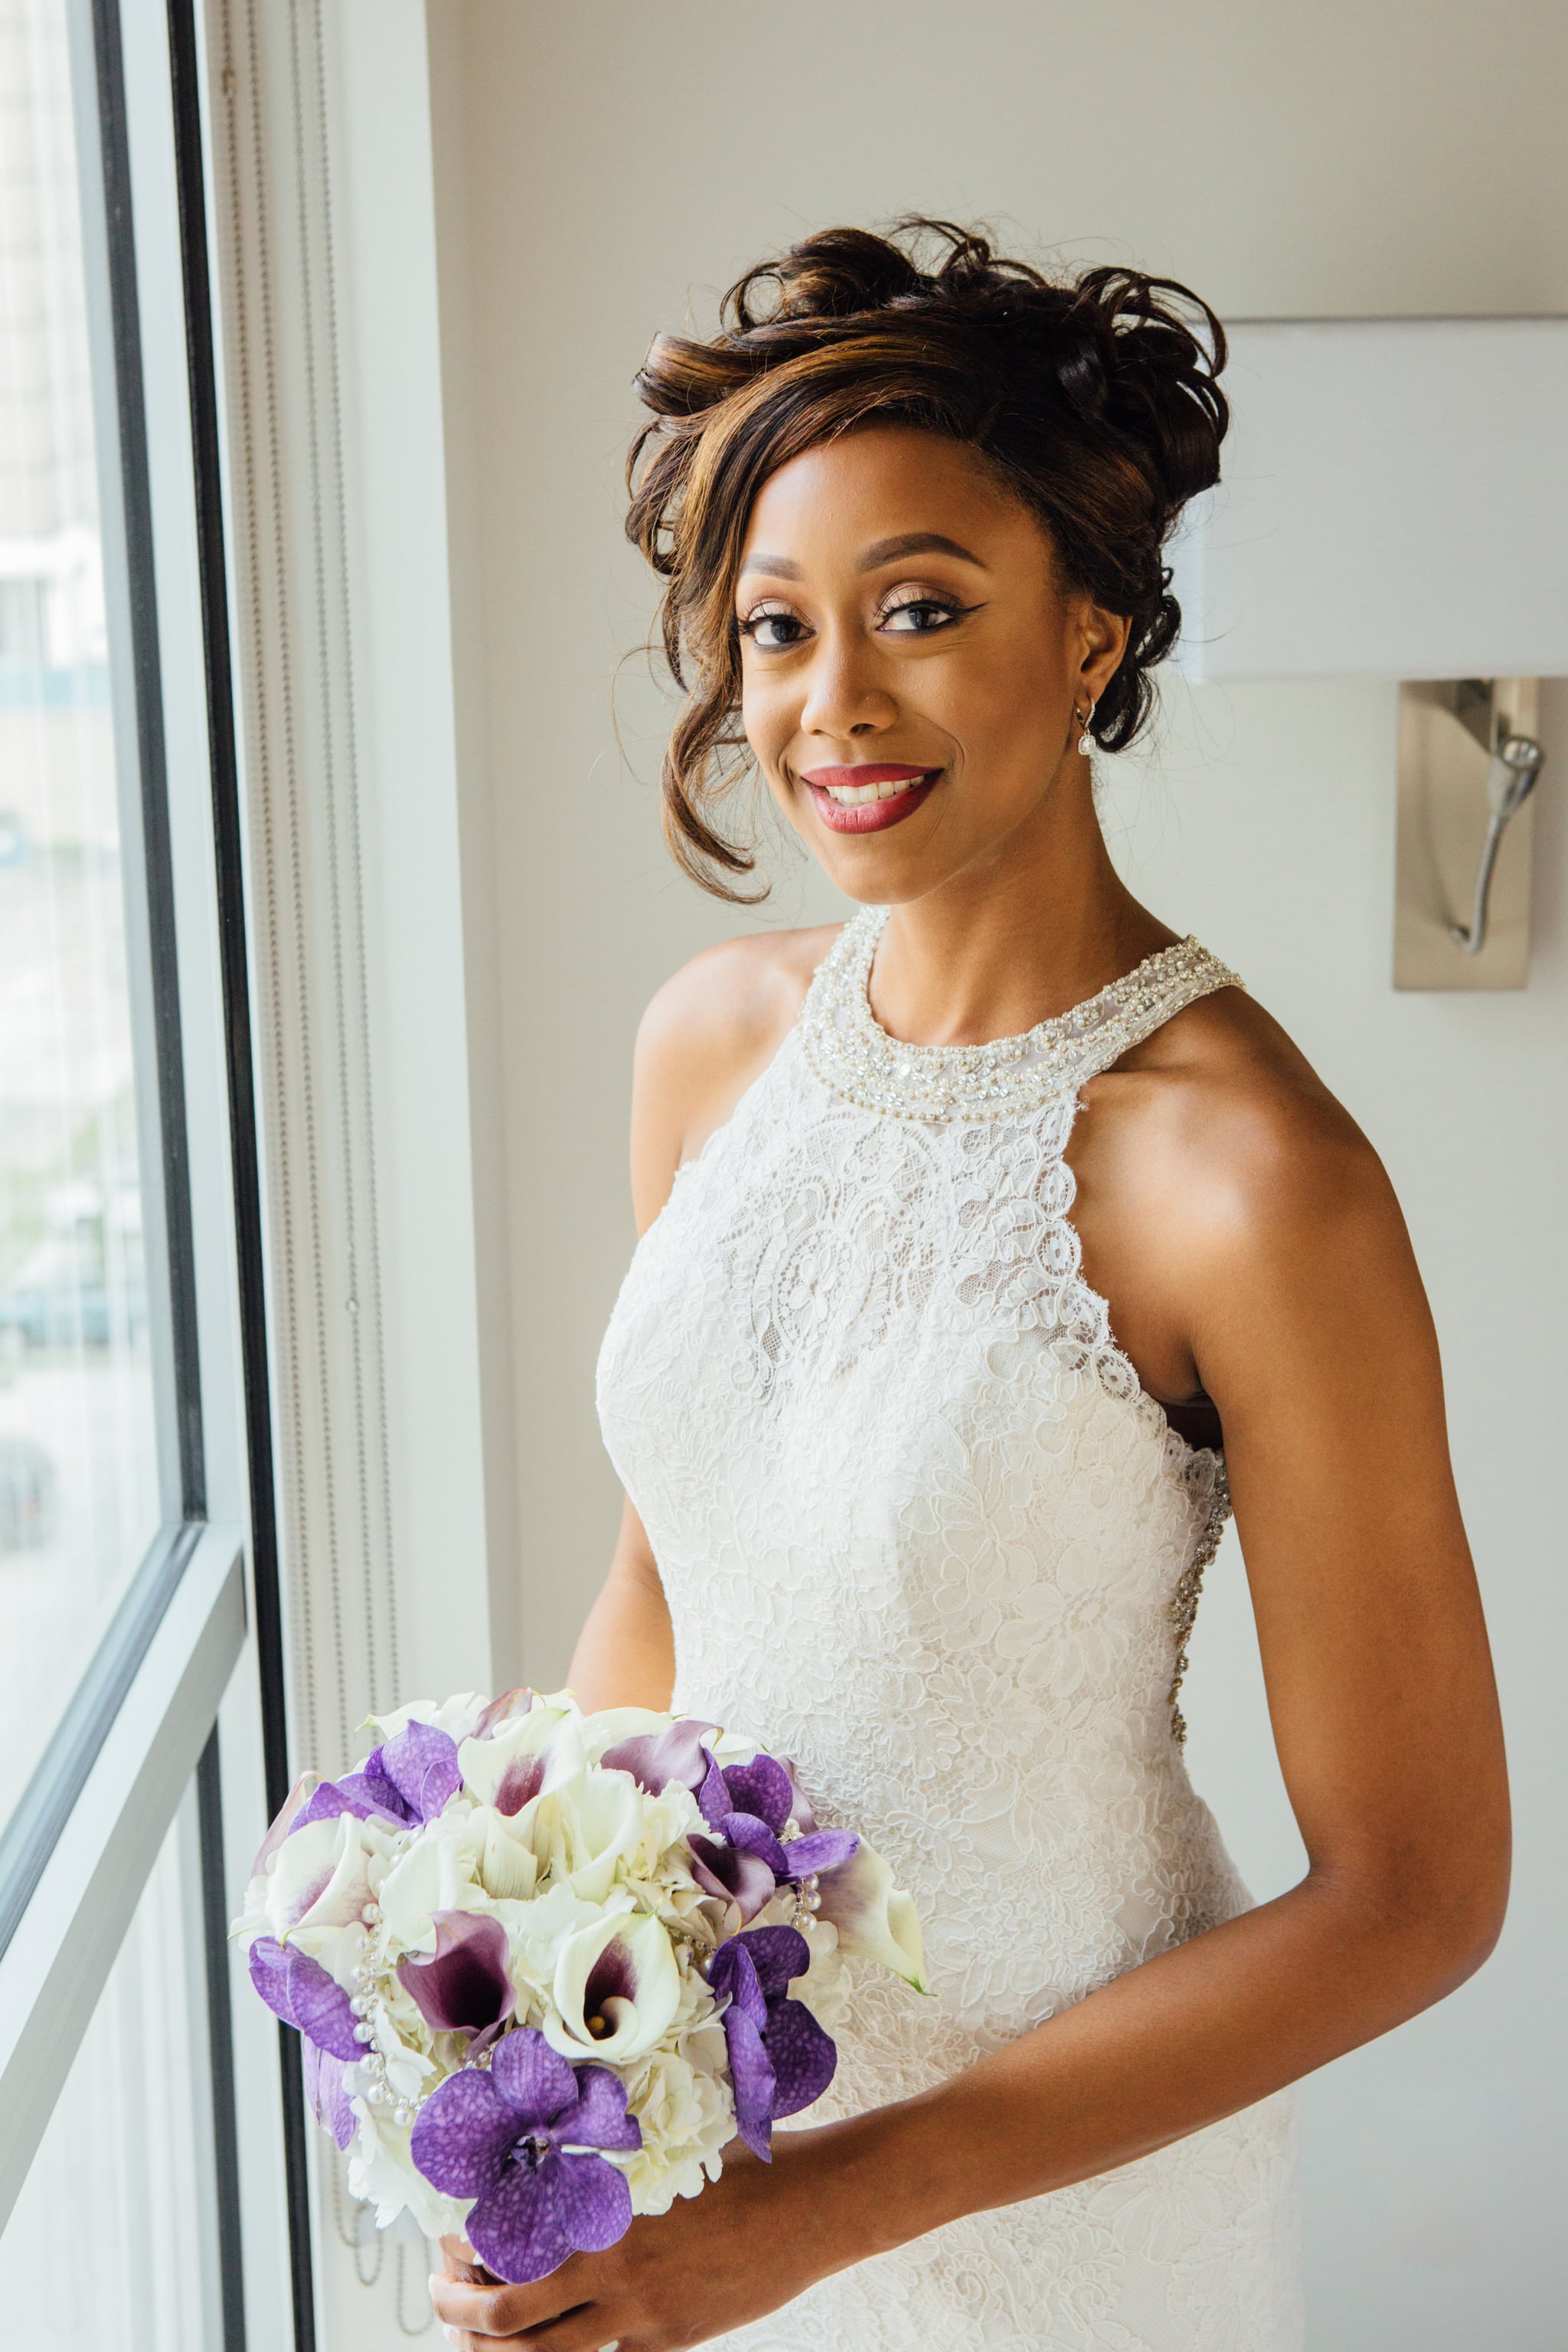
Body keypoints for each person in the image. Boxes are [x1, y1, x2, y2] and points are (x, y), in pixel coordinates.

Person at [433, 220, 1508, 2350]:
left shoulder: (1252, 1181)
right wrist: (560, 2049)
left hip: (1060, 2217)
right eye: (776, 629)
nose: (835, 703)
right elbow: (670, 1589)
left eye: (922, 609)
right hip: (711, 2169)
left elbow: (1417, 1900)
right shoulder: (707, 1044)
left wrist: (822, 2217)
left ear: (1096, 633)